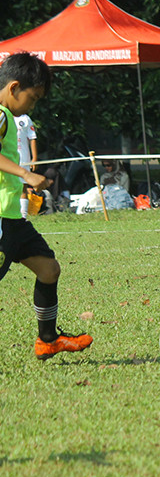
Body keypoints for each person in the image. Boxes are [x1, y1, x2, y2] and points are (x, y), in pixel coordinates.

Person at [0, 52, 93, 359]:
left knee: (49, 269)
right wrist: (26, 173)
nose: (33, 105)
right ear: (14, 88)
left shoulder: (8, 118)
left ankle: (48, 340)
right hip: (0, 218)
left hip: (13, 219)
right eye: (33, 97)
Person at [15, 113, 37, 217]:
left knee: (23, 187)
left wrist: (34, 158)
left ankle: (23, 216)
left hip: (23, 158)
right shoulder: (3, 116)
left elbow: (32, 138)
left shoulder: (25, 118)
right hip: (7, 158)